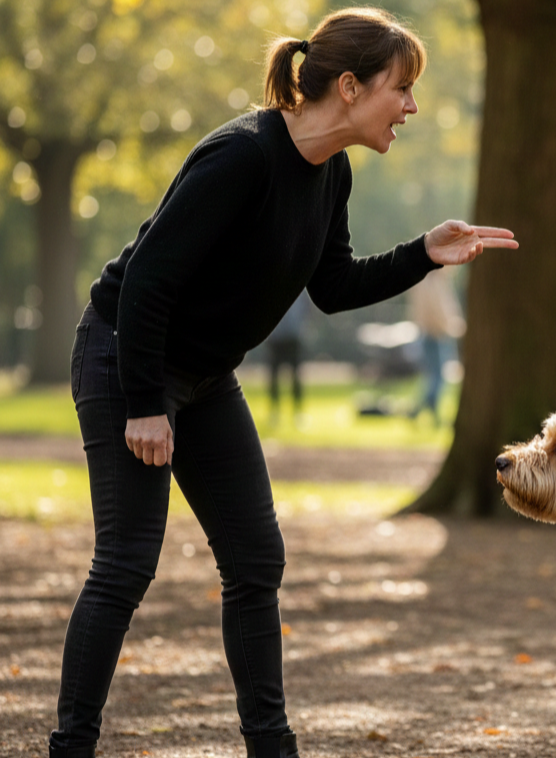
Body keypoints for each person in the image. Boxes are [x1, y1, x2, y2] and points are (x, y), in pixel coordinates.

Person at [54, 8, 518, 758]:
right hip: (123, 356)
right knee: (127, 563)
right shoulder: (240, 157)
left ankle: (271, 747)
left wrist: (424, 253)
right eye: (402, 88)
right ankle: (70, 745)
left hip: (205, 377)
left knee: (255, 559)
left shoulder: (331, 169)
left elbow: (332, 285)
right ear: (348, 85)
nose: (411, 106)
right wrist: (144, 405)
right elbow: (146, 282)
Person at [407, 267, 465, 425]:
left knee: (434, 376)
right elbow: (438, 313)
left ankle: (422, 411)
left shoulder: (429, 280)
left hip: (433, 333)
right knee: (437, 377)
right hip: (436, 334)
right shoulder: (432, 282)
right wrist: (452, 327)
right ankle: (421, 410)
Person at [266, 288, 311, 426]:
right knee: (274, 377)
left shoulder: (300, 286)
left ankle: (297, 411)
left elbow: (307, 308)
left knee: (296, 376)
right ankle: (274, 411)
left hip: (292, 336)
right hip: (276, 337)